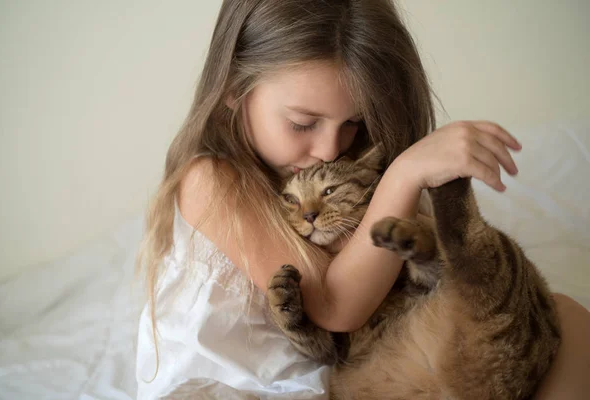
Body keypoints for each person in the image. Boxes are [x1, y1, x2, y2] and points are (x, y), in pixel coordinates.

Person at [135, 1, 590, 398]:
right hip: (248, 388)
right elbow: (335, 307)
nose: (331, 148)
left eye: (351, 123)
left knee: (568, 317)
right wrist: (405, 173)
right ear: (235, 88)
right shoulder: (211, 180)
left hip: (338, 371)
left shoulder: (340, 163)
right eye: (302, 122)